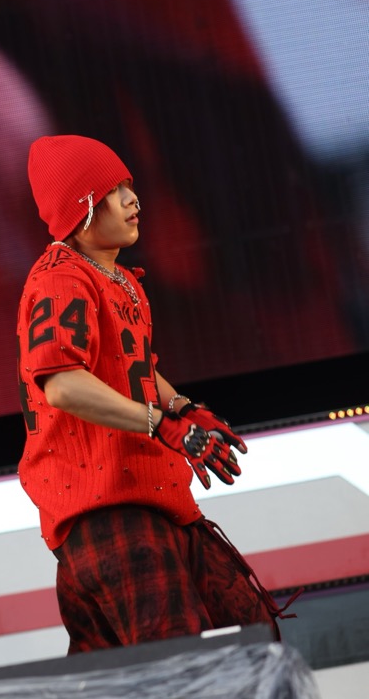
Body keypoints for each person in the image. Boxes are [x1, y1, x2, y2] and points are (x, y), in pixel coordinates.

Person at [16, 135, 286, 654]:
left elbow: (136, 369)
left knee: (251, 637)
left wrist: (185, 409)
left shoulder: (120, 279)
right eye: (113, 190)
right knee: (184, 666)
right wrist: (161, 423)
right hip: (109, 510)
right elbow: (63, 383)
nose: (133, 199)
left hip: (151, 500)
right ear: (81, 208)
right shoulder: (60, 279)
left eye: (129, 186)